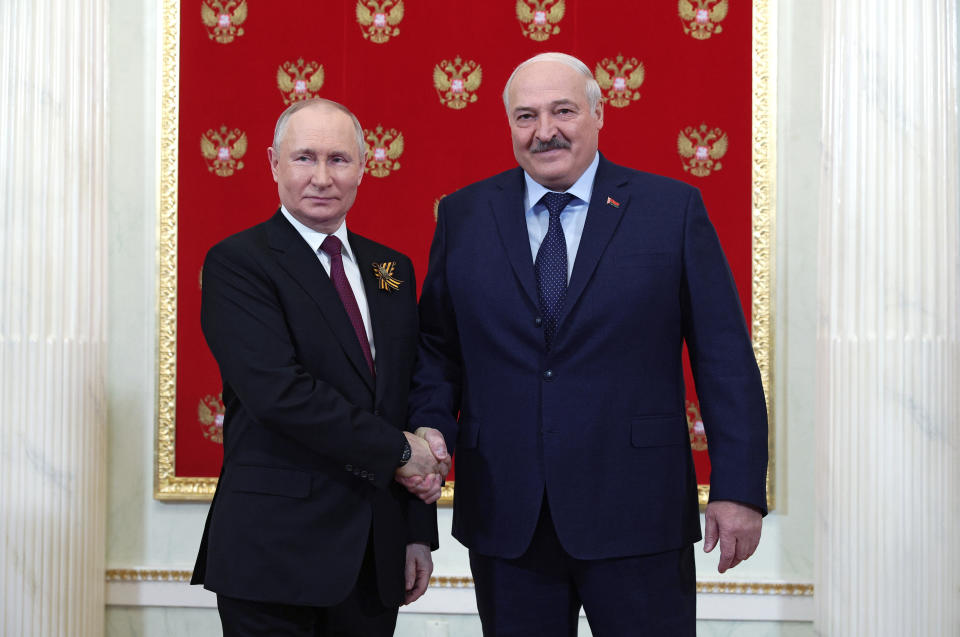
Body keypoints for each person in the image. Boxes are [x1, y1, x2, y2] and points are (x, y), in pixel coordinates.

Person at [407, 53, 769, 636]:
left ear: (599, 114)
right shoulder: (464, 214)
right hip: (508, 515)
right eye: (526, 116)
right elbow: (437, 350)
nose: (545, 130)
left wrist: (739, 491)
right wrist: (430, 428)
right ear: (508, 125)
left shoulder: (670, 210)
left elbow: (724, 358)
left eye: (563, 111)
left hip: (639, 513)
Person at [191, 98, 450, 637]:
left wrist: (416, 530)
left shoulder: (390, 269)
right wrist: (403, 451)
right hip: (274, 557)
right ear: (273, 164)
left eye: (338, 159)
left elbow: (407, 387)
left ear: (363, 167)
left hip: (374, 556)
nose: (322, 177)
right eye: (305, 158)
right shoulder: (238, 262)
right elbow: (278, 393)